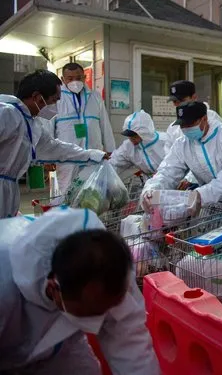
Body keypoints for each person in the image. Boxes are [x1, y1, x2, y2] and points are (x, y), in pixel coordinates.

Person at [0, 208, 159, 374]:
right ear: (53, 289)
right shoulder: (4, 281)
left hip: (60, 349)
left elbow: (131, 348)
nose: (99, 320)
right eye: (88, 313)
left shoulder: (111, 271)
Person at [0, 70, 107, 218]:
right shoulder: (6, 113)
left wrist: (93, 154)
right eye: (54, 100)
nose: (56, 106)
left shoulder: (32, 124)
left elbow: (56, 148)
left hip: (8, 192)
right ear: (37, 97)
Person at [142, 101, 222, 212]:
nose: (186, 128)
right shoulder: (182, 144)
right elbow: (167, 171)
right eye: (182, 125)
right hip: (216, 208)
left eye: (190, 124)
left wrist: (201, 195)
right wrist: (152, 188)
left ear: (204, 119)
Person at [52, 63, 115, 201]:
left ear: (85, 77)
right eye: (70, 78)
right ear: (63, 79)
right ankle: (71, 222)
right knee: (67, 194)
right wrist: (49, 155)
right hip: (67, 157)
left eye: (78, 77)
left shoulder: (95, 97)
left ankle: (91, 222)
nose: (74, 81)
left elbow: (104, 124)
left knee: (93, 194)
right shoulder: (57, 98)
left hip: (93, 155)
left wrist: (110, 149)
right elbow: (49, 127)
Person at [163, 80, 222, 155]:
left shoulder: (212, 117)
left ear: (194, 97)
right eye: (174, 101)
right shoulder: (172, 128)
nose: (177, 104)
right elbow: (169, 155)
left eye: (181, 100)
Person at [109, 110, 166, 182]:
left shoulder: (165, 141)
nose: (131, 139)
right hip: (149, 185)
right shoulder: (128, 146)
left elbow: (176, 164)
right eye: (129, 136)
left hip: (170, 182)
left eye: (134, 136)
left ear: (145, 133)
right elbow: (114, 162)